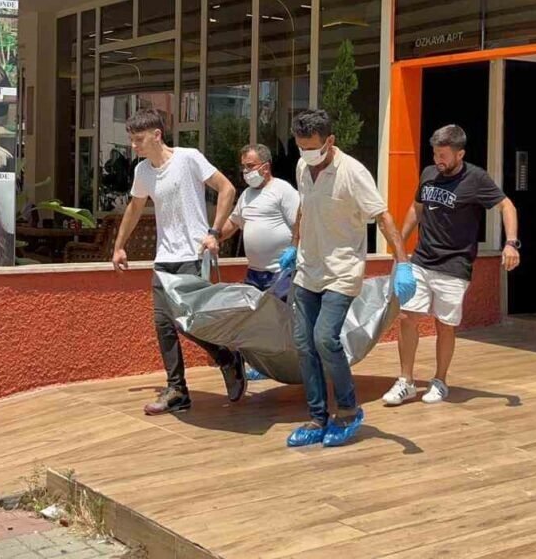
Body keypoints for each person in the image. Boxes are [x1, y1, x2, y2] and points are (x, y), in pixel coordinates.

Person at [278, 109, 417, 448]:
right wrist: (294, 245)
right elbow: (303, 208)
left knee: (325, 338)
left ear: (330, 141)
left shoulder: (353, 173)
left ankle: (348, 410)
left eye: (312, 147)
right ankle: (317, 418)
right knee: (304, 344)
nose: (306, 154)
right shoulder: (302, 168)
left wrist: (402, 263)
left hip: (342, 270)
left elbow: (383, 217)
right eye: (301, 147)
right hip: (308, 269)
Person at [110, 108, 247, 416]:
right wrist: (119, 246)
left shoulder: (188, 158)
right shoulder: (143, 171)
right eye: (132, 139)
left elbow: (227, 189)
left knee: (188, 322)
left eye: (138, 139)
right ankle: (177, 391)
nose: (133, 145)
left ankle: (226, 358)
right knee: (163, 324)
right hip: (164, 259)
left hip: (193, 256)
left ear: (157, 135)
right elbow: (134, 208)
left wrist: (214, 232)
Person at [381, 125, 519, 407]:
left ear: (460, 154)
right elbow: (416, 208)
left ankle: (440, 380)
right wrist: (399, 246)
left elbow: (507, 206)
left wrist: (511, 243)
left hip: (455, 264)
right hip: (422, 259)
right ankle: (406, 381)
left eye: (443, 155)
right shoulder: (429, 174)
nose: (438, 160)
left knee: (444, 325)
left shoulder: (476, 178)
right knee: (407, 316)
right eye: (435, 154)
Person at [218, 143, 300, 292]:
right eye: (243, 166)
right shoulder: (246, 195)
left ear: (266, 167)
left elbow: (300, 223)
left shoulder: (283, 190)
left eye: (250, 166)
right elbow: (233, 223)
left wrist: (294, 249)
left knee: (279, 308)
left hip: (281, 272)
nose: (245, 171)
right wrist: (214, 237)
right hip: (254, 274)